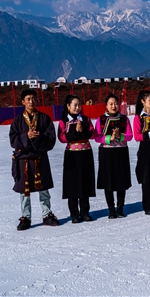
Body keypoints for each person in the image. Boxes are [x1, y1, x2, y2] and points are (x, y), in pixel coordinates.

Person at [9, 89, 59, 230]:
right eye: (28, 99)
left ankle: (47, 214)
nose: (31, 101)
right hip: (23, 161)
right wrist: (26, 136)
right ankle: (26, 217)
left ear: (37, 101)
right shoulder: (17, 121)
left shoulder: (44, 119)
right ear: (23, 102)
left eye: (33, 98)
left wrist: (36, 137)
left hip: (40, 159)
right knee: (25, 191)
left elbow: (51, 139)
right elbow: (13, 140)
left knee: (43, 188)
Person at [58, 94, 97, 223]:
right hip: (72, 155)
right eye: (75, 105)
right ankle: (74, 214)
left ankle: (85, 212)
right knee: (72, 184)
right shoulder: (64, 121)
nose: (77, 107)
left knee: (85, 183)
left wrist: (82, 131)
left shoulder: (85, 119)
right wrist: (75, 131)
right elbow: (62, 138)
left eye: (79, 105)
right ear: (68, 106)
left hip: (85, 153)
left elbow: (93, 133)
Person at [95, 93, 133, 219]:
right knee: (108, 180)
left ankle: (120, 208)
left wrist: (120, 136)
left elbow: (130, 135)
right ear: (106, 106)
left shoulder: (124, 119)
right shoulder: (101, 120)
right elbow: (97, 137)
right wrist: (109, 138)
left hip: (121, 151)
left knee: (121, 180)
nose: (114, 106)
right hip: (107, 152)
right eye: (111, 104)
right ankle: (111, 209)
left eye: (116, 103)